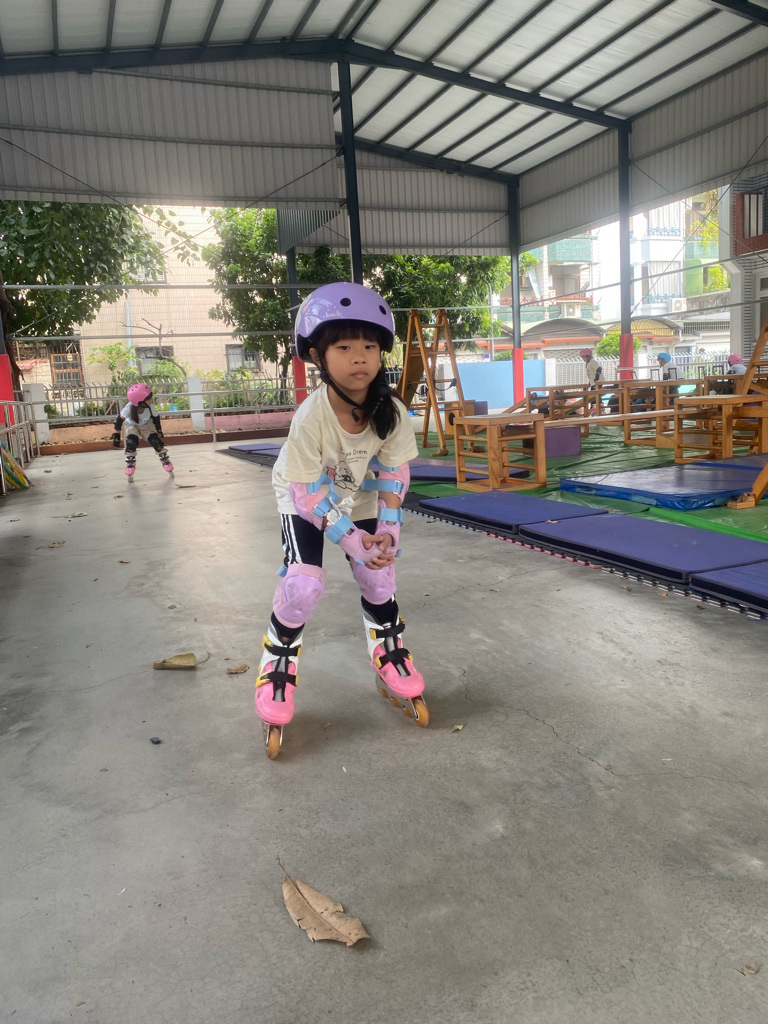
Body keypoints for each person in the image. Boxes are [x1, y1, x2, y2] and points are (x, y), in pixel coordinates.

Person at [255, 282, 426, 760]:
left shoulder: (391, 411)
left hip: (361, 491)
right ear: (317, 355)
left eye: (369, 346)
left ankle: (387, 649)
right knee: (303, 583)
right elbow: (308, 494)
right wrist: (352, 541)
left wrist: (387, 533)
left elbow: (393, 473)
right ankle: (277, 663)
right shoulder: (310, 417)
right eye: (344, 347)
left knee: (379, 575)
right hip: (300, 494)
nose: (359, 358)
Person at [111, 382, 174, 480]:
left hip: (146, 424)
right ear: (139, 402)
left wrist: (159, 431)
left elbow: (156, 418)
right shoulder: (129, 407)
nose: (151, 401)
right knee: (131, 442)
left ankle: (165, 459)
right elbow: (119, 421)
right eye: (148, 399)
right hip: (131, 425)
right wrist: (117, 438)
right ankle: (130, 462)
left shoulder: (150, 406)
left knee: (155, 441)